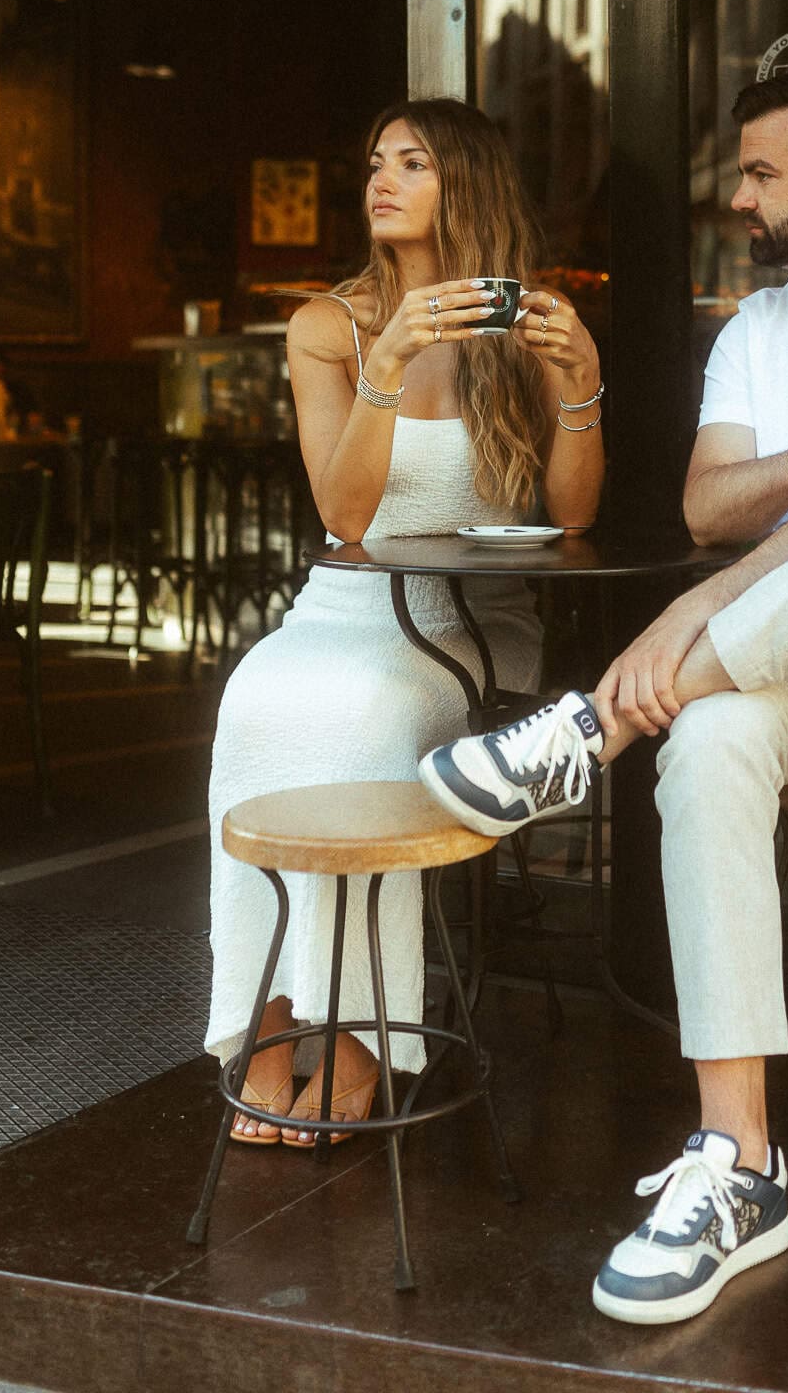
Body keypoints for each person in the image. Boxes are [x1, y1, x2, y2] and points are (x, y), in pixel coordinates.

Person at [420, 64, 788, 1325]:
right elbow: (702, 501)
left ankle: (595, 724)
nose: (736, 194)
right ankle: (740, 1161)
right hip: (787, 667)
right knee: (711, 746)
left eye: (761, 173)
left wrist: (693, 608)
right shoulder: (753, 331)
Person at [207, 98, 604, 1144]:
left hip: (467, 619)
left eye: (413, 161)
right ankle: (274, 1006)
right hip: (343, 604)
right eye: (376, 159)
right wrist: (382, 372)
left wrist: (585, 383)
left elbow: (572, 515)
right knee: (256, 700)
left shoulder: (521, 324)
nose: (381, 177)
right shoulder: (327, 327)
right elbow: (344, 516)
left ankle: (357, 1030)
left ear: (463, 184)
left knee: (363, 725)